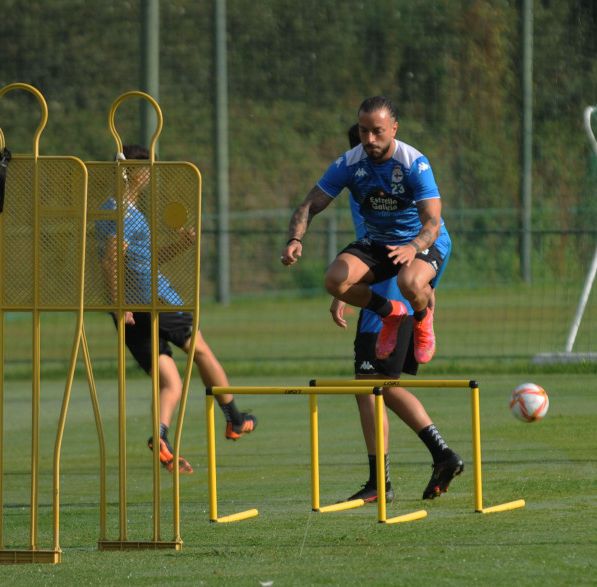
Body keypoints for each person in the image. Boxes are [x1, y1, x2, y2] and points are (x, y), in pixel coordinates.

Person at [96, 144, 257, 475]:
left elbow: (139, 258)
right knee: (203, 354)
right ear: (138, 173)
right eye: (148, 170)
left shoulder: (113, 209)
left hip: (131, 310)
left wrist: (179, 247)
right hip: (155, 301)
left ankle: (161, 436)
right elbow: (110, 258)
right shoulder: (122, 211)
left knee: (170, 380)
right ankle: (235, 420)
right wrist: (120, 303)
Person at [333, 124, 463, 502]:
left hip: (389, 295)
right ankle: (435, 457)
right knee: (374, 386)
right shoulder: (365, 177)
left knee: (374, 383)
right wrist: (346, 291)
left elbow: (398, 245)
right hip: (384, 289)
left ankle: (389, 480)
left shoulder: (372, 185)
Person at [281, 95, 449, 365]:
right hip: (379, 241)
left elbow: (433, 222)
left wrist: (412, 247)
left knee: (409, 282)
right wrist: (294, 238)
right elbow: (309, 205)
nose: (369, 139)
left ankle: (422, 318)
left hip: (421, 240)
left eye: (377, 131)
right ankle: (391, 313)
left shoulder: (414, 163)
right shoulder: (349, 163)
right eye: (363, 131)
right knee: (334, 281)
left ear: (394, 128)